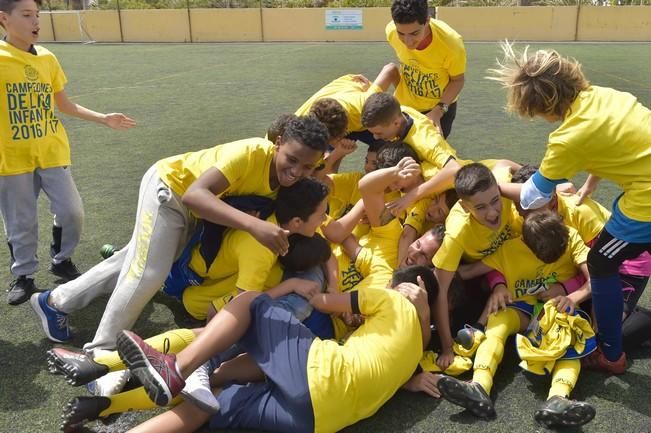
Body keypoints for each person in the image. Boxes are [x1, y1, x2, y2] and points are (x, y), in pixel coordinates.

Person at [29, 116, 328, 354]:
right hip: (169, 189)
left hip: (197, 209)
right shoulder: (250, 153)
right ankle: (102, 351)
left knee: (132, 259)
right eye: (292, 159)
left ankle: (54, 301)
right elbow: (194, 196)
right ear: (277, 144)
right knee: (150, 272)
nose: (297, 171)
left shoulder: (289, 179)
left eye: (307, 166)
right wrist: (252, 225)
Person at [488, 41, 651, 373]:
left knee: (601, 261)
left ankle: (610, 355)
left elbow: (533, 197)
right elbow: (614, 142)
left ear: (542, 106)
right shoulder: (605, 96)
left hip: (646, 202)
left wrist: (494, 183)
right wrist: (590, 184)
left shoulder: (567, 138)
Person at [0, 0, 136, 305]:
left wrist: (103, 118)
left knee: (72, 211)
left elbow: (64, 104)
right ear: (4, 19)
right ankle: (24, 276)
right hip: (11, 158)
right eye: (26, 15)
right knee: (20, 221)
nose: (35, 21)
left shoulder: (47, 58)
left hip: (52, 151)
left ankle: (61, 259)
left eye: (37, 15)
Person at [438, 210, 596, 428]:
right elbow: (478, 269)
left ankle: (558, 398)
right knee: (498, 318)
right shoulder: (510, 247)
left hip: (556, 312)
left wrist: (569, 294)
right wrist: (498, 285)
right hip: (521, 310)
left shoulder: (571, 236)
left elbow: (596, 276)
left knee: (570, 333)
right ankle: (479, 386)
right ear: (525, 242)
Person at [432, 163, 523, 370]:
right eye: (480, 207)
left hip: (508, 256)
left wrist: (559, 187)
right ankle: (477, 325)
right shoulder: (457, 233)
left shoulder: (503, 182)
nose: (492, 213)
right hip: (475, 272)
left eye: (495, 201)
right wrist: (447, 348)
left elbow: (505, 164)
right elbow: (440, 292)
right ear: (465, 207)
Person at [384, 0, 466, 138]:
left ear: (427, 20)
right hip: (405, 107)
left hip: (440, 108)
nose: (408, 41)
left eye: (414, 33)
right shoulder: (391, 32)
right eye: (401, 34)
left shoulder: (451, 44)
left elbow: (457, 80)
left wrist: (438, 112)